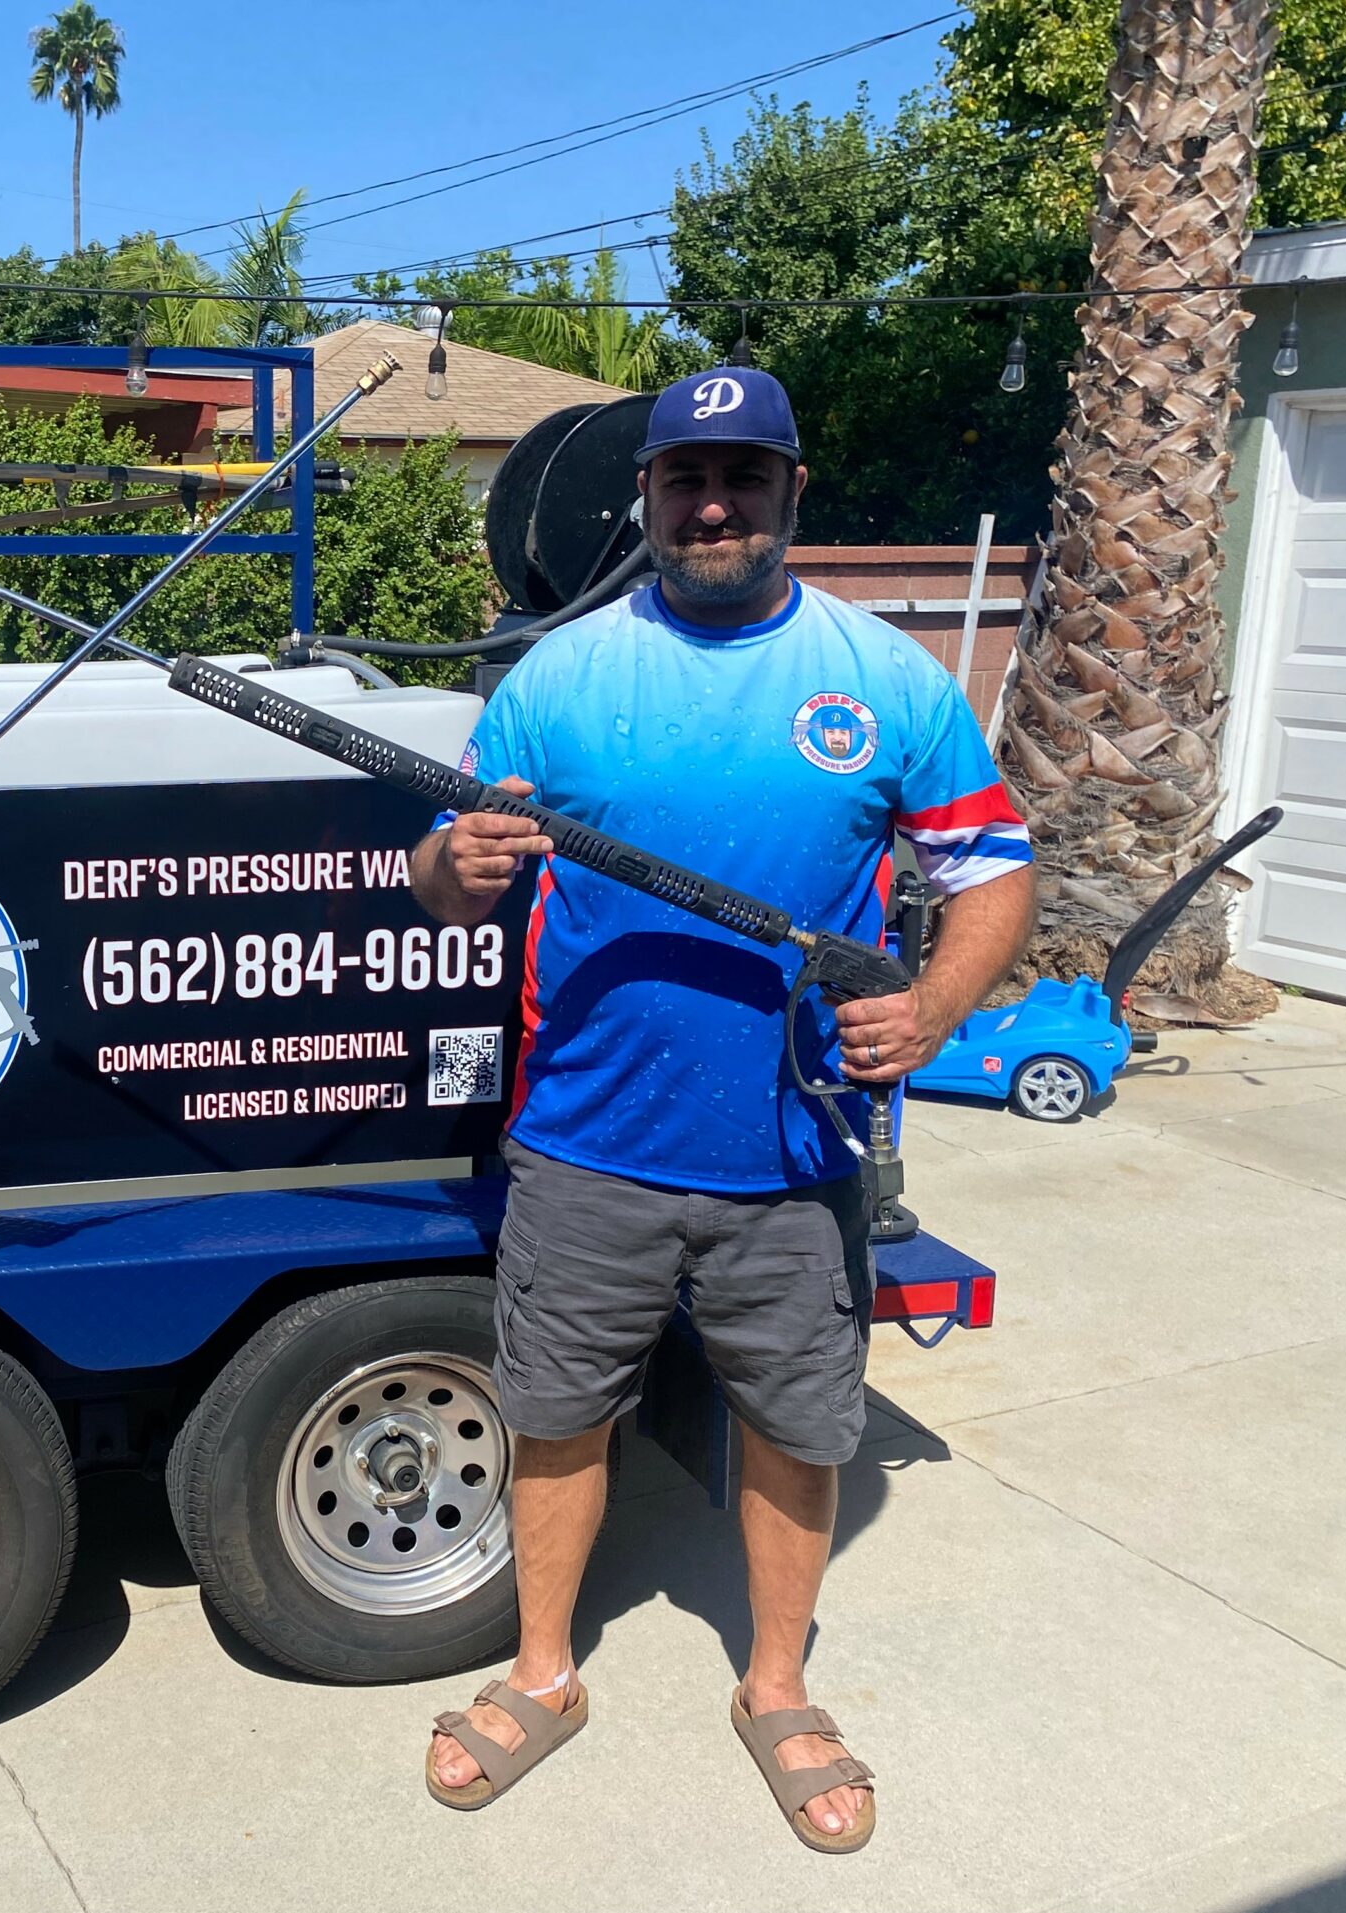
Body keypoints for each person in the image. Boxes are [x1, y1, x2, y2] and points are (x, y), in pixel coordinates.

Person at [412, 369, 1034, 1851]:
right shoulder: (556, 678)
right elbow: (440, 868)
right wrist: (457, 868)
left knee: (795, 1426)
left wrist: (931, 1008)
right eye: (684, 478)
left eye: (742, 477)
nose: (711, 506)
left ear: (790, 491)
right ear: (645, 494)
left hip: (796, 1152)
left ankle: (776, 1686)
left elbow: (993, 871)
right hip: (585, 1144)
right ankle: (543, 1671)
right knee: (556, 1416)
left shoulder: (883, 680)